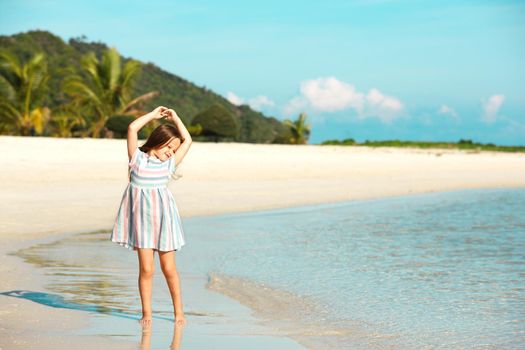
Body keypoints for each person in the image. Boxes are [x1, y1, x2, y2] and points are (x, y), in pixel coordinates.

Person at [110, 106, 192, 327]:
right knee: (147, 269)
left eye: (174, 150)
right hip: (143, 224)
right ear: (158, 140)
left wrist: (175, 117)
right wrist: (154, 115)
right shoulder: (136, 159)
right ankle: (147, 312)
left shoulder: (169, 164)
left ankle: (179, 312)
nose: (171, 152)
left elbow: (188, 139)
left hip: (165, 223)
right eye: (169, 147)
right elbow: (132, 128)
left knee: (169, 269)